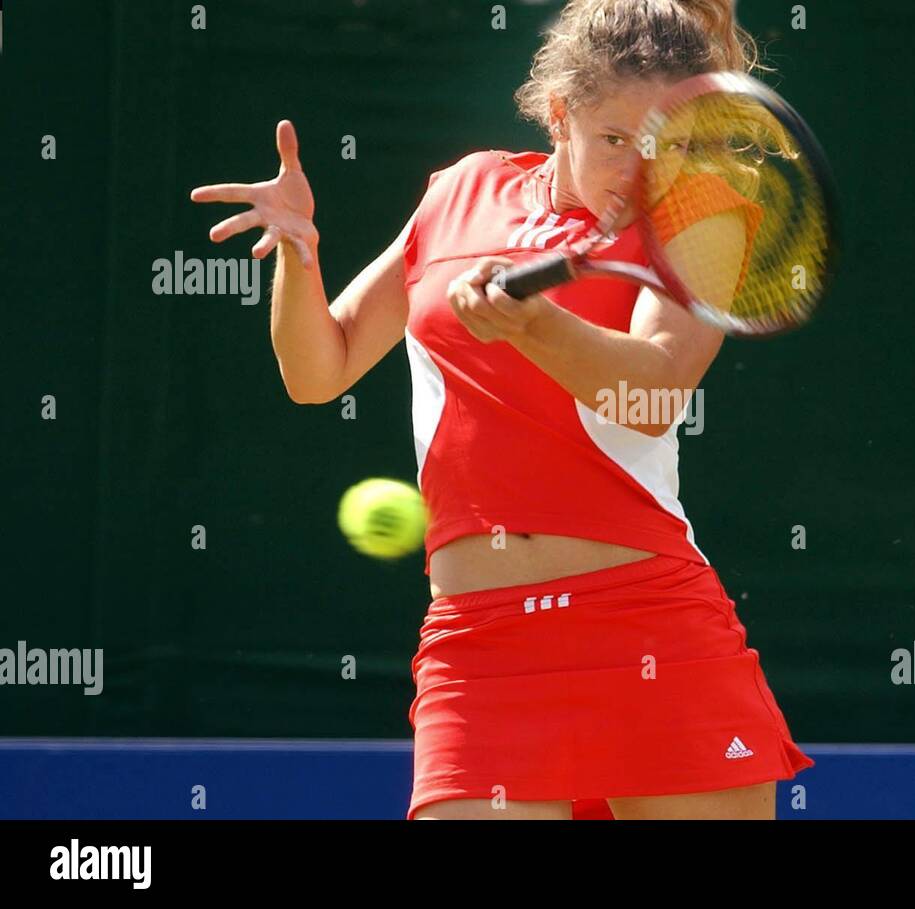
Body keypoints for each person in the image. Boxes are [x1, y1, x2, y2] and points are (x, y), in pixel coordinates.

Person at [191, 0, 813, 821]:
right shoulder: (459, 191)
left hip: (649, 628)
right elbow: (319, 369)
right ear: (560, 115)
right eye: (614, 139)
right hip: (477, 648)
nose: (635, 168)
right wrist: (300, 257)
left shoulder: (703, 217)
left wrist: (535, 324)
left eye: (661, 144)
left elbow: (655, 393)